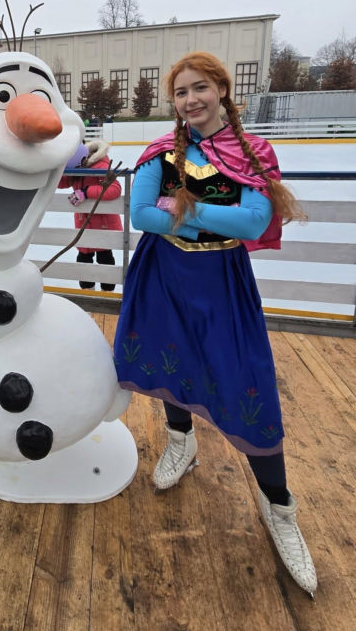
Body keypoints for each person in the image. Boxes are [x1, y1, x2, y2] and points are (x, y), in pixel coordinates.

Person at [113, 51, 317, 595]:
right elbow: (140, 215)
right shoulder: (161, 150)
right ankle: (181, 440)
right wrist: (198, 210)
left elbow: (254, 220)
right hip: (163, 273)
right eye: (180, 93)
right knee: (166, 360)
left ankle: (280, 507)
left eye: (199, 88)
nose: (189, 101)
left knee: (245, 380)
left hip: (222, 279)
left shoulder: (253, 152)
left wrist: (182, 207)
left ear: (222, 90)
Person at [59, 139, 123, 291]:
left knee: (105, 258)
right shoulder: (77, 164)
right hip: (84, 223)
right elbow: (61, 182)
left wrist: (86, 192)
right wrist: (57, 168)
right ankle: (87, 292)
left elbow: (114, 189)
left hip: (103, 224)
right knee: (83, 258)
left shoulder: (101, 165)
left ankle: (107, 293)